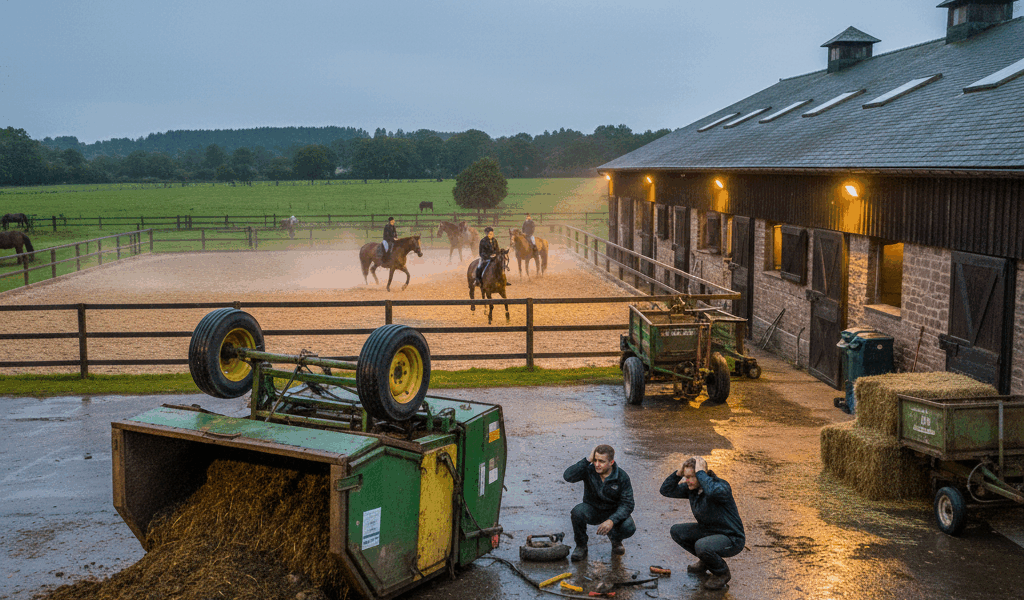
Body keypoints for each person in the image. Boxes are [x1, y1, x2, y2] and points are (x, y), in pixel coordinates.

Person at [660, 456, 745, 591]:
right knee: (677, 531)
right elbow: (666, 490)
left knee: (702, 546)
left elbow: (712, 492)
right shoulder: (692, 489)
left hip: (732, 538)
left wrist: (700, 473)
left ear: (703, 474)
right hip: (710, 532)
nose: (687, 481)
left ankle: (722, 573)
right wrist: (678, 473)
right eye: (685, 477)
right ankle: (706, 562)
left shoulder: (721, 486)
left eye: (691, 476)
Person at [563, 444, 636, 561]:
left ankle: (616, 541)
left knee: (629, 527)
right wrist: (587, 460)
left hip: (613, 512)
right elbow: (567, 476)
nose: (597, 464)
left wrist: (612, 520)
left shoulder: (622, 476)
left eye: (601, 461)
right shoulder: (589, 469)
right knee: (577, 512)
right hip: (593, 509)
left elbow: (628, 504)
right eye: (595, 460)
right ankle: (581, 546)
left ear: (611, 462)